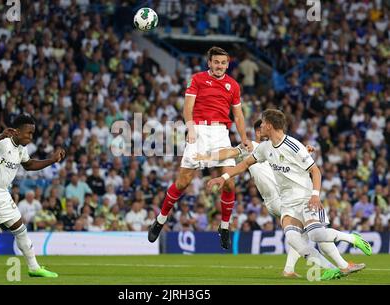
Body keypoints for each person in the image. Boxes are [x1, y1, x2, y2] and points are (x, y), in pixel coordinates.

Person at [206, 109, 372, 280]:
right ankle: (331, 269)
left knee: (316, 235)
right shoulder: (264, 147)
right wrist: (223, 177)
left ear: (269, 126)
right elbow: (245, 164)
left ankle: (352, 238)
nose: (260, 127)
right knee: (293, 239)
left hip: (306, 198)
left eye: (262, 123)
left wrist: (315, 195)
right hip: (286, 201)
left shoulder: (293, 145)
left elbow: (316, 171)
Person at [148, 46, 252, 250]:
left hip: (221, 133)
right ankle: (160, 220)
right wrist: (190, 128)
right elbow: (188, 107)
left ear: (227, 64)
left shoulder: (233, 85)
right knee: (183, 182)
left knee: (229, 182)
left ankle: (224, 226)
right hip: (199, 130)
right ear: (209, 63)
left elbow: (238, 115)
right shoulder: (196, 79)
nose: (219, 66)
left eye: (223, 63)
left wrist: (244, 138)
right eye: (216, 62)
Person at [0, 114, 66, 279]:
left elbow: (29, 165)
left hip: (2, 194)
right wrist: (0, 136)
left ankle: (34, 268)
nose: (30, 137)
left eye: (32, 134)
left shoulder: (22, 149)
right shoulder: (1, 140)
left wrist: (51, 160)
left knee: (21, 231)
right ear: (16, 132)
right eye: (28, 133)